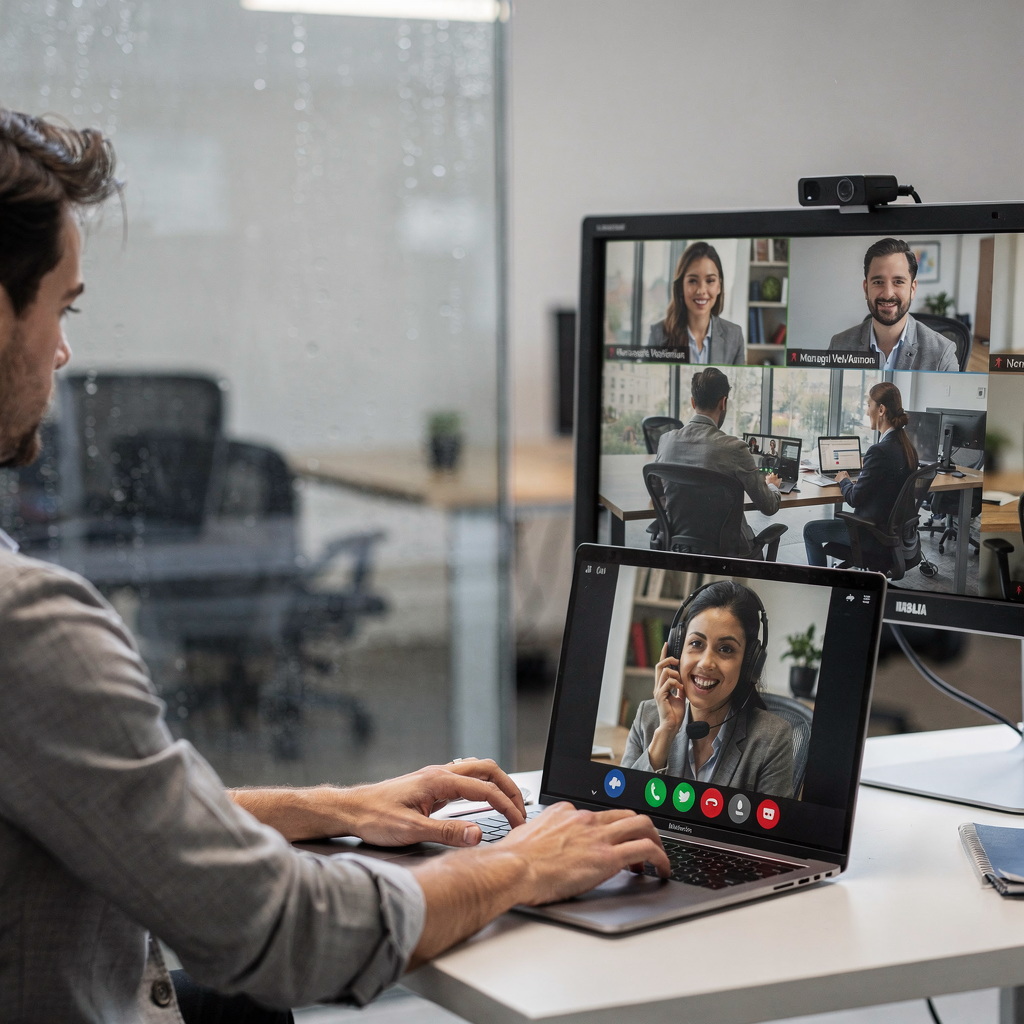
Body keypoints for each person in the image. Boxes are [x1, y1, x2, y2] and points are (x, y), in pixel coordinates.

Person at [0, 109, 670, 1023]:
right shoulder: (27, 625)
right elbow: (283, 933)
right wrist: (519, 864)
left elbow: (108, 808)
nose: (64, 348)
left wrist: (330, 806)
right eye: (62, 308)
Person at [620, 581, 794, 798]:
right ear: (677, 650)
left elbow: (773, 819)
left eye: (725, 649)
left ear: (749, 664)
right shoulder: (648, 718)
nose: (706, 663)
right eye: (696, 644)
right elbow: (620, 808)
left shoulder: (772, 739)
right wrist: (665, 734)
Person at [655, 368, 783, 558]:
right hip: (730, 553)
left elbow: (659, 494)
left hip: (680, 548)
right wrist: (772, 486)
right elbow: (769, 507)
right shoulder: (735, 448)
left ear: (693, 402)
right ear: (723, 402)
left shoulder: (666, 441)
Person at [803, 381, 918, 568]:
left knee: (810, 531)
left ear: (881, 410)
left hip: (872, 536)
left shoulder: (879, 451)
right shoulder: (907, 447)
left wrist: (844, 480)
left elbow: (854, 499)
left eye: (868, 405)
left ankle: (820, 582)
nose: (866, 412)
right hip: (896, 536)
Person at [827, 238, 959, 371]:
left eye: (898, 282)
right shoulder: (839, 346)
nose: (887, 294)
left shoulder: (942, 354)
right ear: (866, 289)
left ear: (912, 289)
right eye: (878, 282)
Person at [644, 242, 745, 364]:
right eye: (692, 281)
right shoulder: (658, 333)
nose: (701, 290)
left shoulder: (734, 336)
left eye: (710, 281)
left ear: (719, 286)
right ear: (681, 287)